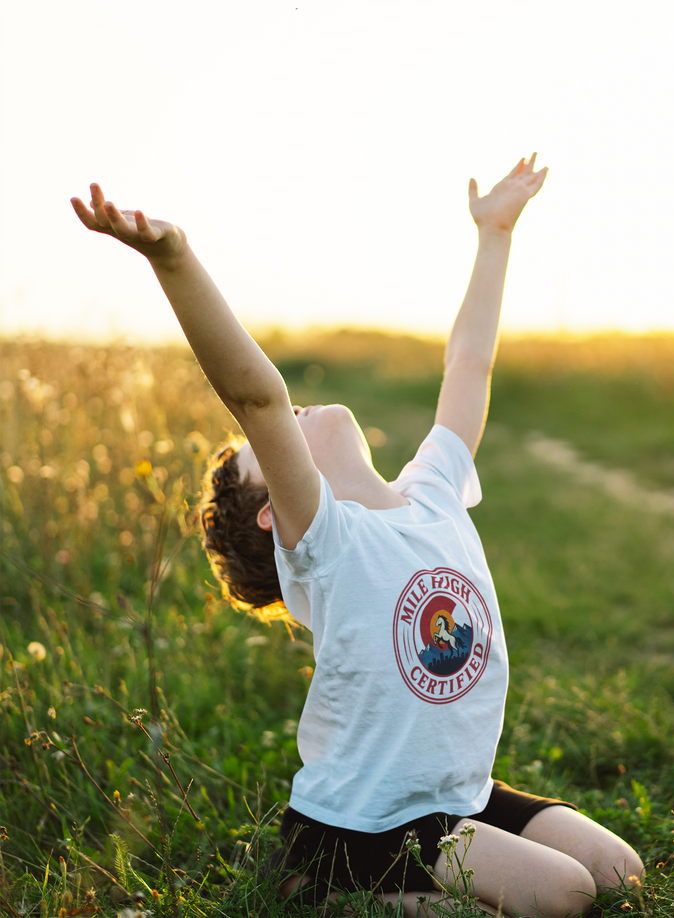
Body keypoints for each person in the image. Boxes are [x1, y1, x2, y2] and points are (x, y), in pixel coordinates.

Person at [71, 157, 643, 917]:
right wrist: (173, 258)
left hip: (454, 796)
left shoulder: (433, 490)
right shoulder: (328, 541)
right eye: (274, 445)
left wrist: (495, 234)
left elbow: (469, 361)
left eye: (292, 418)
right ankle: (323, 886)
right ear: (279, 512)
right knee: (564, 896)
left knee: (618, 871)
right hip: (362, 821)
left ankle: (414, 876)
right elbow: (255, 394)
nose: (299, 413)